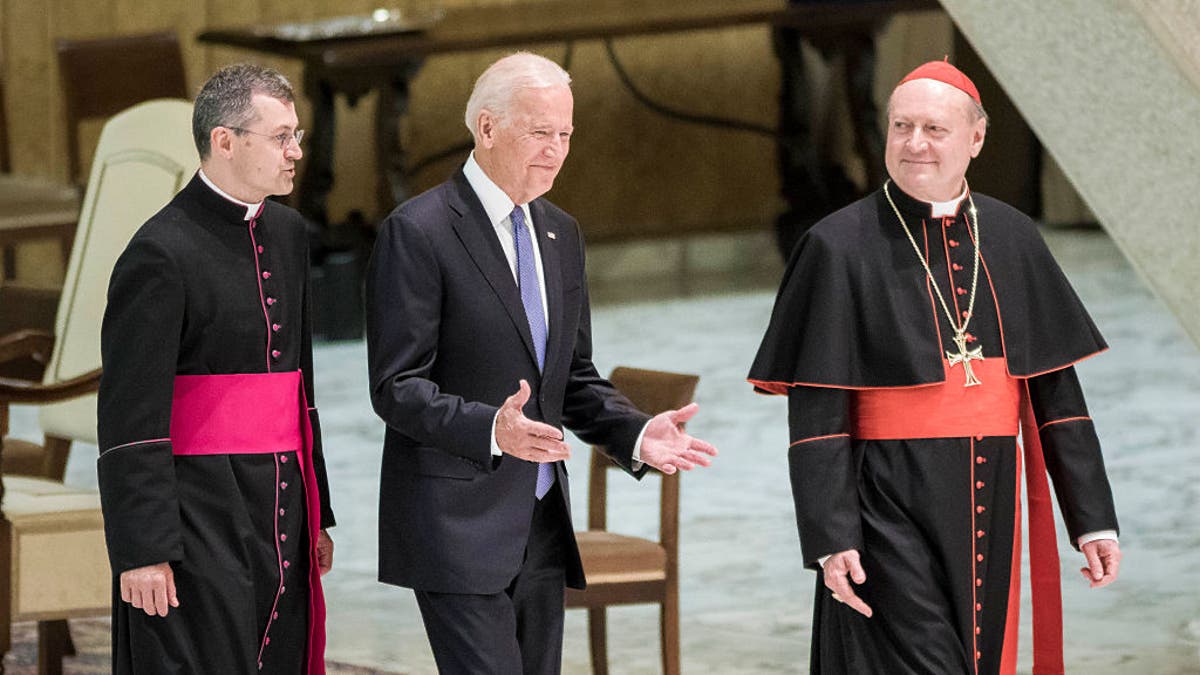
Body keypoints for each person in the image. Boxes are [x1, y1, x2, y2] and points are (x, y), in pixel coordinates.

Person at [748, 60, 1121, 674]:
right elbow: (817, 412)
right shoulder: (835, 245)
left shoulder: (1012, 235)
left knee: (978, 658)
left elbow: (1058, 397)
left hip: (989, 492)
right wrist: (830, 534)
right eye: (901, 126)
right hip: (885, 500)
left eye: (933, 129)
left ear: (975, 139)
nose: (914, 143)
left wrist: (1092, 520)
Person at [366, 52, 719, 674]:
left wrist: (634, 431)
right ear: (487, 128)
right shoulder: (418, 231)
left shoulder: (561, 233)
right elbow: (396, 387)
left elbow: (573, 376)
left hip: (539, 524)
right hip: (456, 524)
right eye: (539, 132)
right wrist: (490, 429)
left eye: (564, 134)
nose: (555, 150)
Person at [97, 63, 335, 674]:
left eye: (297, 134)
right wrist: (143, 550)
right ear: (225, 141)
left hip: (281, 500)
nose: (297, 152)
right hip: (199, 509)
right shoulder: (159, 252)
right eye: (281, 136)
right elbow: (129, 415)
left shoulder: (287, 232)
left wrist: (319, 511)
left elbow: (298, 391)